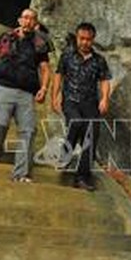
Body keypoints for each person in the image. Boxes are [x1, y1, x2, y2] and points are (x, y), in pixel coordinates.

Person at [0, 8, 51, 183]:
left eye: (32, 19)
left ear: (36, 23)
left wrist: (44, 88)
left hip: (26, 92)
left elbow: (46, 69)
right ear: (19, 20)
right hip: (3, 87)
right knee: (0, 123)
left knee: (29, 130)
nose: (28, 21)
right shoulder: (6, 38)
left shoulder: (39, 43)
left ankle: (21, 174)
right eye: (25, 18)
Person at [51, 21, 111, 191]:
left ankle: (82, 177)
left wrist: (105, 98)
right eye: (82, 38)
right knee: (76, 122)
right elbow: (58, 75)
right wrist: (54, 96)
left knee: (91, 135)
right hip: (70, 100)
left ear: (93, 40)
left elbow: (105, 80)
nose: (85, 42)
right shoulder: (67, 56)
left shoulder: (99, 60)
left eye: (88, 39)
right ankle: (65, 155)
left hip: (90, 102)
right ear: (77, 38)